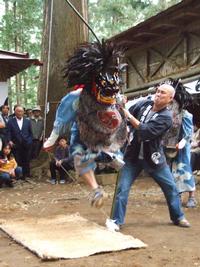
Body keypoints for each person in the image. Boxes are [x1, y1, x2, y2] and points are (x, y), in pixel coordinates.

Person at [43, 41, 127, 208]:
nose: (108, 96)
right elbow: (62, 119)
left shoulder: (113, 95)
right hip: (87, 132)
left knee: (93, 152)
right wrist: (52, 140)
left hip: (105, 134)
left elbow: (120, 115)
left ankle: (111, 157)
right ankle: (97, 187)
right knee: (81, 157)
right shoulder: (77, 97)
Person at [109, 83, 191, 231]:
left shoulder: (166, 117)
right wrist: (120, 105)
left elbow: (145, 131)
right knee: (122, 189)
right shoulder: (144, 104)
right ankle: (116, 221)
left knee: (171, 188)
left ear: (170, 99)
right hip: (132, 157)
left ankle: (178, 216)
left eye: (163, 93)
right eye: (158, 91)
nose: (158, 94)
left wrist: (127, 113)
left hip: (154, 158)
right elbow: (125, 115)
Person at [162, 79, 197, 208]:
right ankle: (177, 195)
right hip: (169, 145)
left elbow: (188, 134)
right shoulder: (166, 113)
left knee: (184, 169)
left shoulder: (186, 115)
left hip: (182, 146)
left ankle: (192, 196)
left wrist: (181, 144)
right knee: (171, 171)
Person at [7, 106, 33, 179]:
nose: (19, 113)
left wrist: (30, 141)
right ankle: (19, 175)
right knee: (17, 160)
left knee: (26, 159)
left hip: (26, 144)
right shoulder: (10, 121)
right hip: (15, 144)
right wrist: (9, 140)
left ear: (23, 112)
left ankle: (27, 174)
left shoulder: (27, 121)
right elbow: (8, 132)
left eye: (21, 111)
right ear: (15, 112)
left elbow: (31, 133)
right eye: (18, 111)